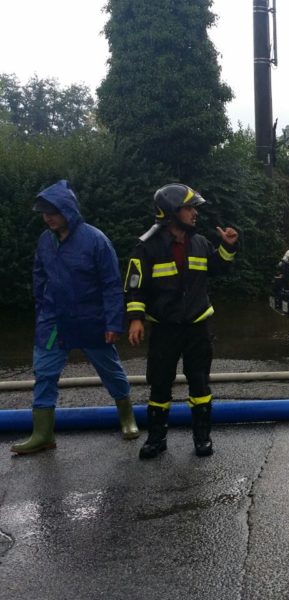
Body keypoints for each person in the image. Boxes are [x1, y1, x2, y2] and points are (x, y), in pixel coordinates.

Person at [12, 180, 137, 455]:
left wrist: (113, 323)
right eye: (44, 213)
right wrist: (41, 308)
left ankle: (127, 418)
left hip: (91, 319)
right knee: (44, 373)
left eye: (52, 212)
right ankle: (43, 433)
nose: (47, 218)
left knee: (110, 370)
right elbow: (39, 275)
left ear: (67, 210)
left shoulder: (96, 240)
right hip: (54, 321)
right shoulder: (45, 240)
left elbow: (112, 285)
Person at [125, 183, 238, 459]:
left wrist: (228, 246)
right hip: (165, 328)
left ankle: (202, 439)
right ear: (171, 212)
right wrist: (136, 319)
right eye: (189, 208)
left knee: (199, 382)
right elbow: (134, 287)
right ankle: (156, 439)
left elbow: (218, 267)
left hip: (197, 326)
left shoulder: (199, 243)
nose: (194, 213)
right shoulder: (147, 248)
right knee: (160, 384)